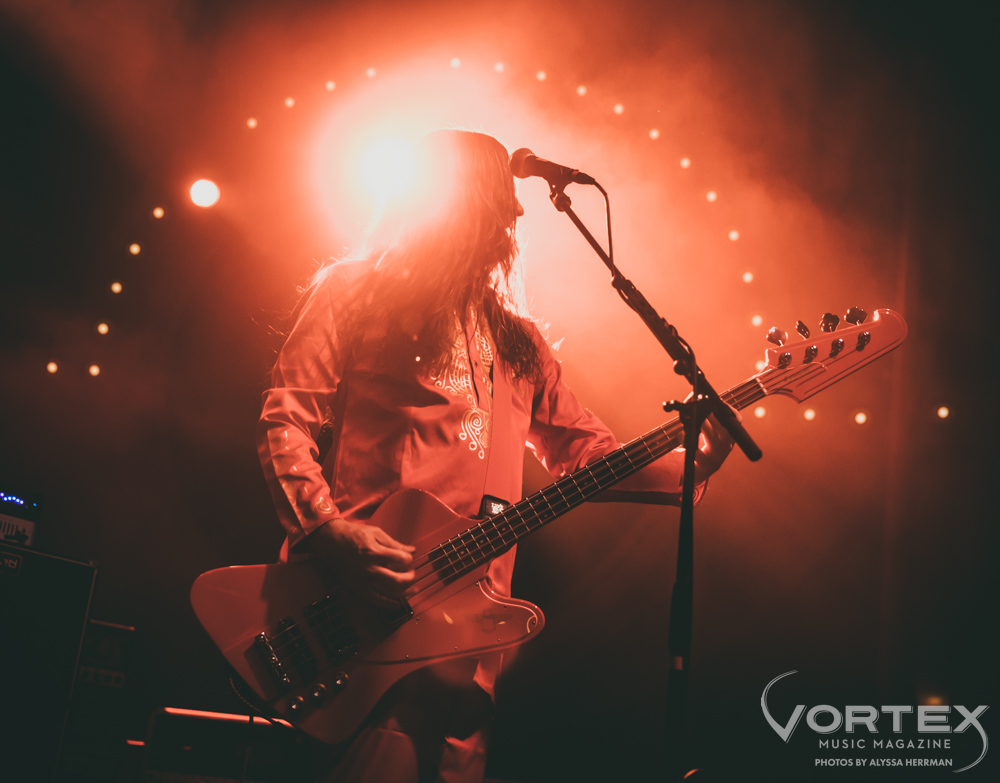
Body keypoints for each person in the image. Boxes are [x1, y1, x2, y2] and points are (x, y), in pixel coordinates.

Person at [256, 129, 735, 783]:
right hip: (362, 609)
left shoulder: (519, 341)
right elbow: (287, 417)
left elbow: (583, 454)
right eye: (498, 200)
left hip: (470, 635)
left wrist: (695, 464)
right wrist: (325, 529)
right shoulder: (353, 293)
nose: (513, 217)